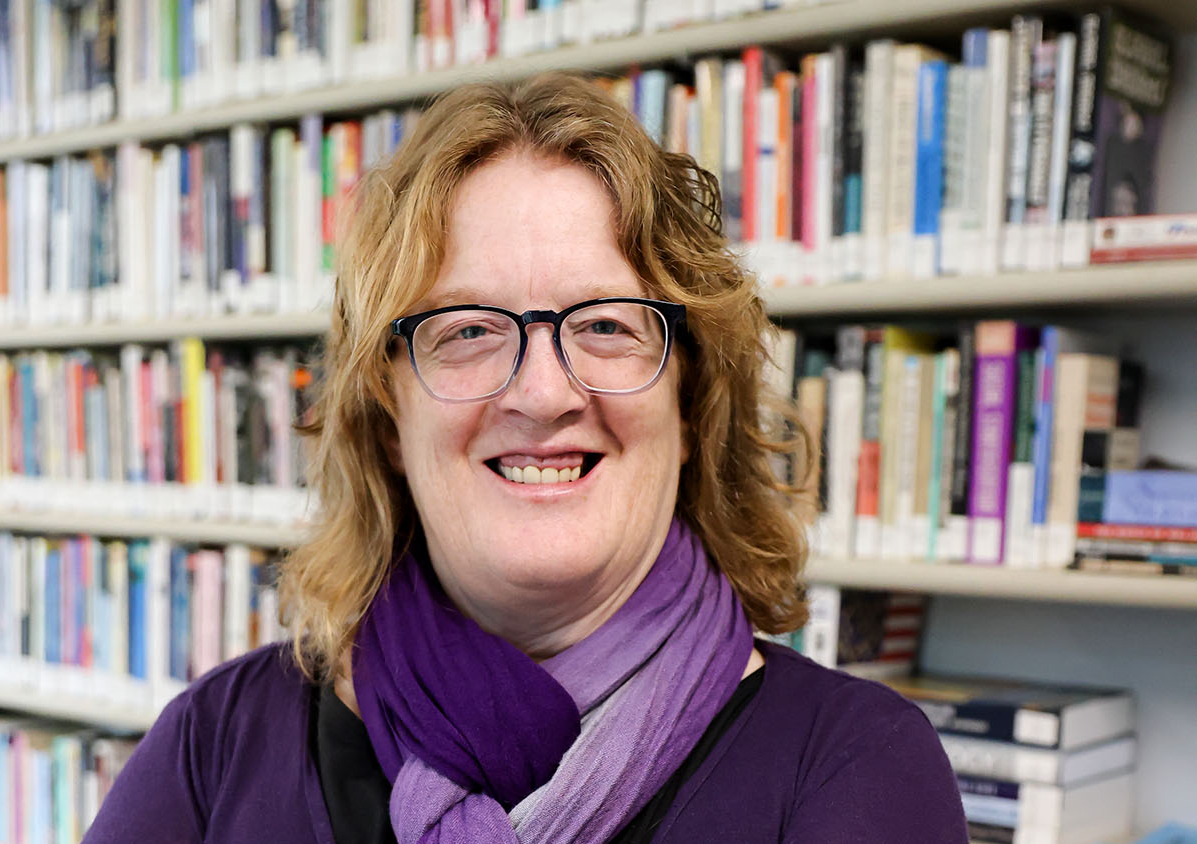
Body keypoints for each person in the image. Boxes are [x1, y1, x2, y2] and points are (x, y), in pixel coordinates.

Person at [82, 72, 968, 844]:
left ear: (691, 403)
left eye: (606, 326)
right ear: (389, 414)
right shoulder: (217, 742)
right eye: (467, 330)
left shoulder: (853, 763)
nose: (543, 394)